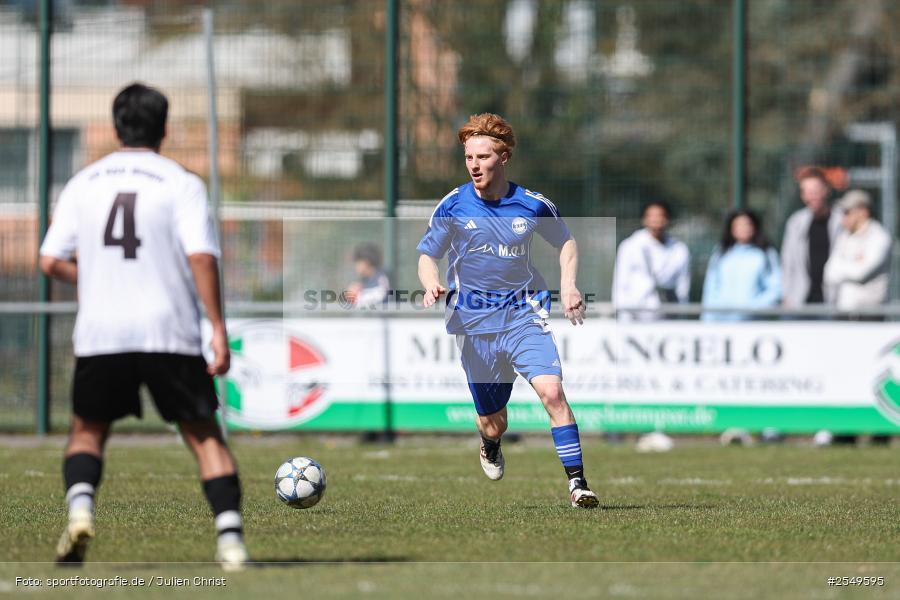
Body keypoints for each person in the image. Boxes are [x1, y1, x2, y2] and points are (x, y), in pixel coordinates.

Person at [39, 83, 247, 570]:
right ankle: (231, 543)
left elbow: (50, 260)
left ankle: (81, 512)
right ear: (165, 129)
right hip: (167, 330)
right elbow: (201, 255)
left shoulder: (83, 182)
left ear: (115, 127)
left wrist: (96, 278)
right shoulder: (180, 182)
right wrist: (216, 326)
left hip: (101, 331)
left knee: (87, 432)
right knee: (204, 436)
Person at [416, 113, 599, 508]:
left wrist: (568, 285)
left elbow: (565, 243)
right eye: (468, 157)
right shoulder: (454, 204)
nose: (474, 165)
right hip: (475, 322)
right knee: (494, 422)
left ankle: (578, 484)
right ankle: (489, 444)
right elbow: (427, 254)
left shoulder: (531, 205)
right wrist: (431, 282)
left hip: (522, 313)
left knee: (552, 392)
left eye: (483, 156)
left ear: (504, 157)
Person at [612, 200, 690, 320]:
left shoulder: (679, 249)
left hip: (667, 315)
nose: (656, 220)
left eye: (660, 216)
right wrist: (622, 314)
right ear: (644, 219)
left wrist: (680, 311)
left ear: (667, 219)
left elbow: (683, 285)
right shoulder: (630, 246)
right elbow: (620, 282)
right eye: (652, 216)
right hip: (635, 314)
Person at [780, 167, 843, 310]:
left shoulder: (842, 221)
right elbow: (788, 261)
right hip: (801, 300)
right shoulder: (795, 223)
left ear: (826, 190)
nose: (812, 196)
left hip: (834, 300)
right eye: (806, 191)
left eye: (816, 190)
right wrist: (786, 294)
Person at [702, 210, 781, 321]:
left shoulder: (766, 253)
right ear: (731, 229)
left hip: (753, 324)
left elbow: (775, 289)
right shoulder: (721, 253)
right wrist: (708, 319)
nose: (743, 228)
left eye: (747, 224)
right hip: (722, 324)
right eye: (738, 225)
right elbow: (710, 289)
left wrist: (753, 308)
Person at [824, 190, 892, 315]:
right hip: (843, 314)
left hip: (871, 316)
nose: (843, 218)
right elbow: (829, 273)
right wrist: (854, 264)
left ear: (863, 212)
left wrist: (842, 267)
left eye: (847, 212)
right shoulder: (844, 237)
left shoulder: (879, 236)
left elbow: (861, 273)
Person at [343, 242, 391, 308]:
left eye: (358, 262)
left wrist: (356, 297)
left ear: (366, 262)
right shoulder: (363, 281)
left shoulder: (381, 278)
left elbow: (380, 298)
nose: (356, 266)